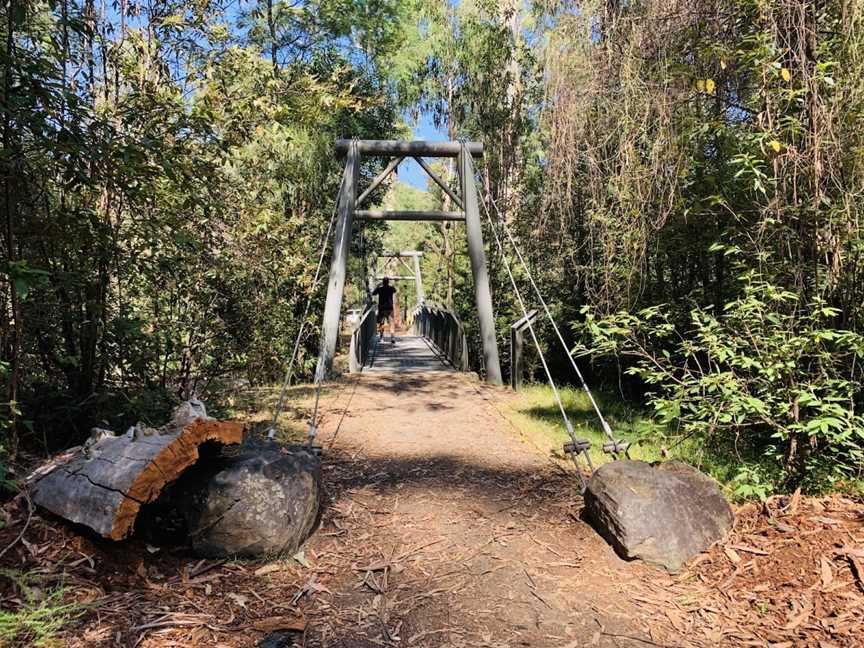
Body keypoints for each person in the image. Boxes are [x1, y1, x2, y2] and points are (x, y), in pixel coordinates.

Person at [372, 277, 397, 343]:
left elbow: (373, 293)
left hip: (382, 309)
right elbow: (395, 290)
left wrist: (377, 286)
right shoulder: (391, 288)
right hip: (390, 308)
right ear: (388, 282)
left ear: (383, 282)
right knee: (391, 323)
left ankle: (381, 338)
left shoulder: (380, 289)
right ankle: (392, 338)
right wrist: (391, 284)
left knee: (381, 323)